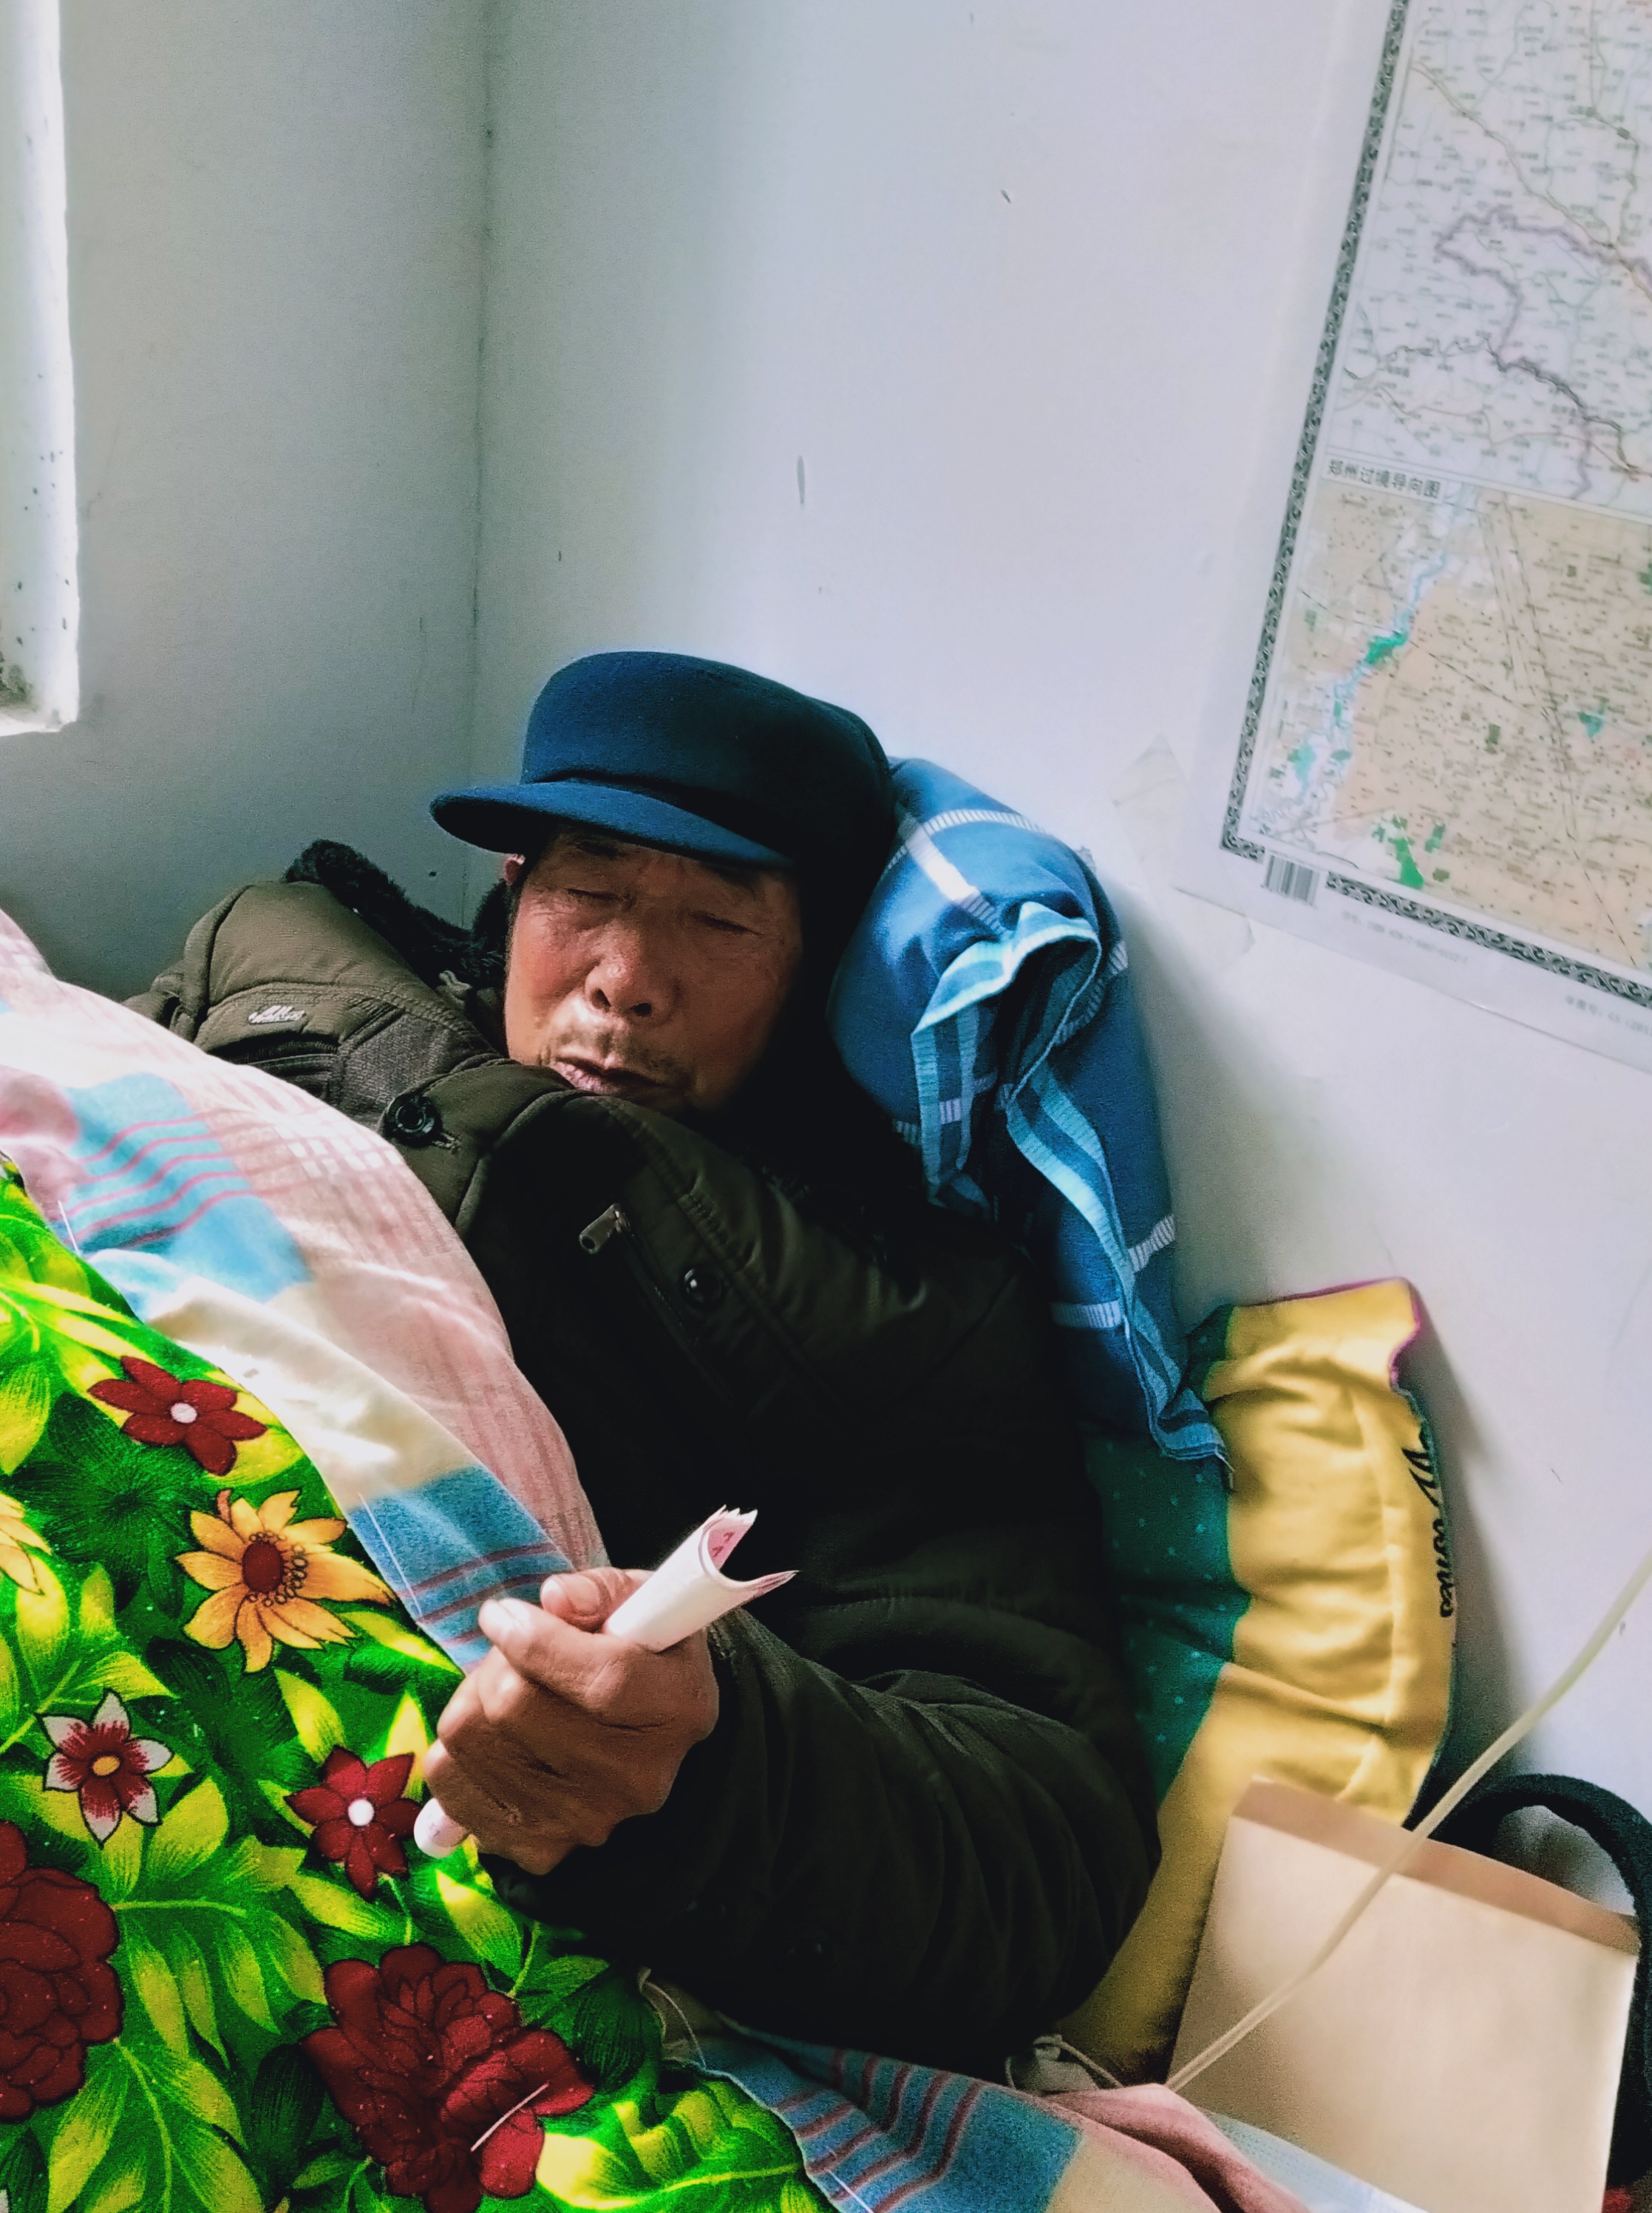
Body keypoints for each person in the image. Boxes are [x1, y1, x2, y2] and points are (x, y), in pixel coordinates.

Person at [128, 650, 1152, 2073]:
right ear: (513, 894)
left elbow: (1045, 1847)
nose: (624, 983)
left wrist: (704, 1763)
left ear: (815, 973)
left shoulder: (900, 1322)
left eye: (719, 922)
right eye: (585, 895)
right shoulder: (279, 954)